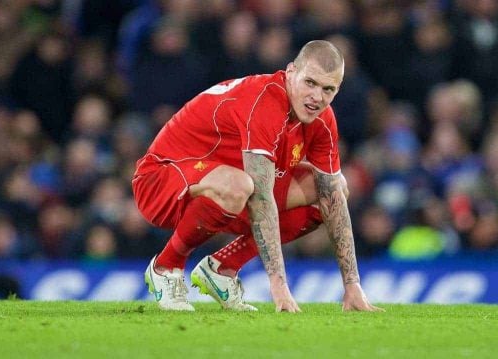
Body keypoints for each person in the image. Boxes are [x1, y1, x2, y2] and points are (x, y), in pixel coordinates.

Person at [133, 40, 382, 313]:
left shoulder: (321, 120)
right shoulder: (265, 103)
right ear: (290, 72)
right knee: (241, 185)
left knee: (333, 190)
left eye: (328, 89)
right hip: (161, 178)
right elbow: (261, 199)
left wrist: (352, 285)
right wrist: (279, 287)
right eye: (309, 82)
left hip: (228, 188)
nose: (316, 97)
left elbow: (333, 196)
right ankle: (166, 266)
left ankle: (222, 269)